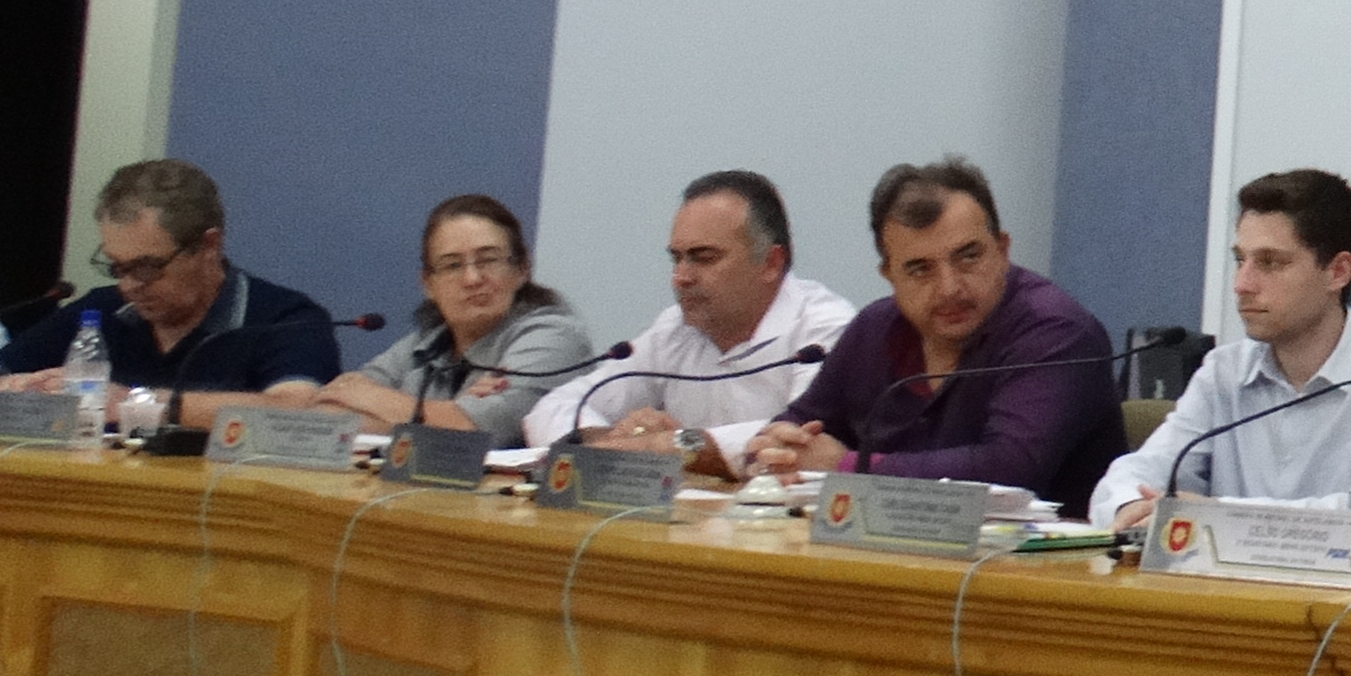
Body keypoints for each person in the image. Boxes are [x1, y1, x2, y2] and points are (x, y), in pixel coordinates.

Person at [750, 158, 1120, 514]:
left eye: (968, 257)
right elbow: (798, 424)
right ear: (889, 275)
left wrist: (847, 465)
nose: (949, 288)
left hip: (1043, 553)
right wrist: (778, 448)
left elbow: (1009, 468)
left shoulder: (1056, 331)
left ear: (1002, 250)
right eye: (920, 269)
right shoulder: (874, 328)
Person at [1091, 167, 1351, 529]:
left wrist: (1217, 515)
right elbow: (1137, 473)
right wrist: (1130, 506)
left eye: (1270, 263)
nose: (1242, 285)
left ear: (1337, 272)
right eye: (1240, 260)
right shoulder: (1223, 370)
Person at [527, 170, 855, 473]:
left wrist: (659, 445)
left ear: (771, 262)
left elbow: (798, 440)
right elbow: (554, 407)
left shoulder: (826, 329)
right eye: (677, 258)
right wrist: (610, 438)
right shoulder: (674, 329)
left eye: (703, 258)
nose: (680, 277)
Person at [0, 160, 343, 422]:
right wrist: (8, 386)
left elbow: (297, 410)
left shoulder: (285, 318)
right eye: (117, 266)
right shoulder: (101, 311)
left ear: (209, 246)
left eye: (147, 267)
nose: (128, 286)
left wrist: (135, 403)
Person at [305, 195, 601, 436]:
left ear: (522, 269)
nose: (472, 278)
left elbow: (473, 432)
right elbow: (327, 413)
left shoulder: (554, 336)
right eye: (452, 265)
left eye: (488, 260)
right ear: (428, 284)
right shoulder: (426, 341)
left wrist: (370, 397)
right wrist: (444, 416)